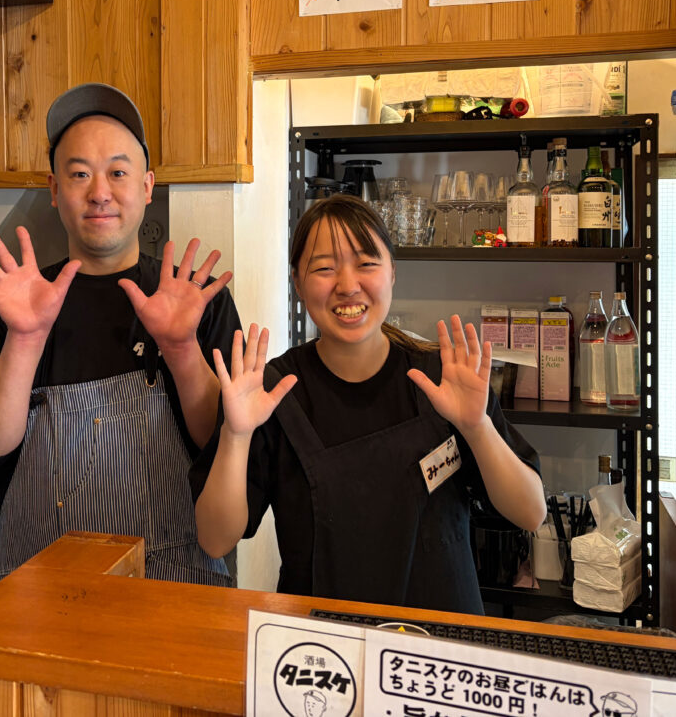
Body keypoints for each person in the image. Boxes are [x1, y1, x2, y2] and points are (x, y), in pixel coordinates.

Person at [191, 194, 546, 614]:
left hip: (438, 654)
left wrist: (477, 428)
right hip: (324, 655)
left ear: (393, 273)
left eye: (366, 263)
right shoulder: (271, 392)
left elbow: (530, 512)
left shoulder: (444, 377)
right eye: (324, 268)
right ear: (297, 282)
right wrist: (236, 434)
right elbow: (215, 539)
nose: (347, 285)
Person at [0, 82, 240, 587]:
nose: (100, 191)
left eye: (118, 173)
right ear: (55, 189)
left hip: (172, 591)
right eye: (79, 173)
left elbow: (225, 448)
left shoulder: (193, 298)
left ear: (147, 187)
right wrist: (24, 338)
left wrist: (180, 349)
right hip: (37, 592)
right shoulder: (17, 301)